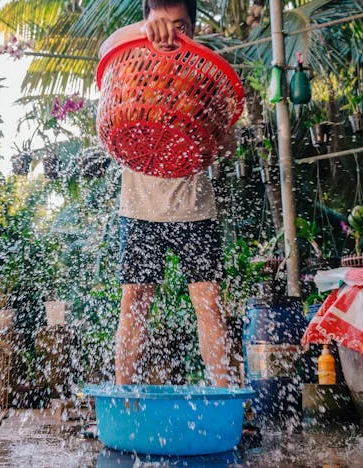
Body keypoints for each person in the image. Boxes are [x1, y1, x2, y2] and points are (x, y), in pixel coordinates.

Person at [99, 0, 234, 388]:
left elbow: (226, 144)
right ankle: (123, 396)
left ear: (193, 28)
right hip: (139, 209)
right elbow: (105, 47)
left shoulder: (205, 73)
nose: (172, 33)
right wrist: (144, 35)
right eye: (162, 23)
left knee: (209, 302)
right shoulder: (130, 64)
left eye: (181, 25)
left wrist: (222, 137)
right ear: (146, 22)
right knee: (134, 303)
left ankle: (223, 399)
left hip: (195, 210)